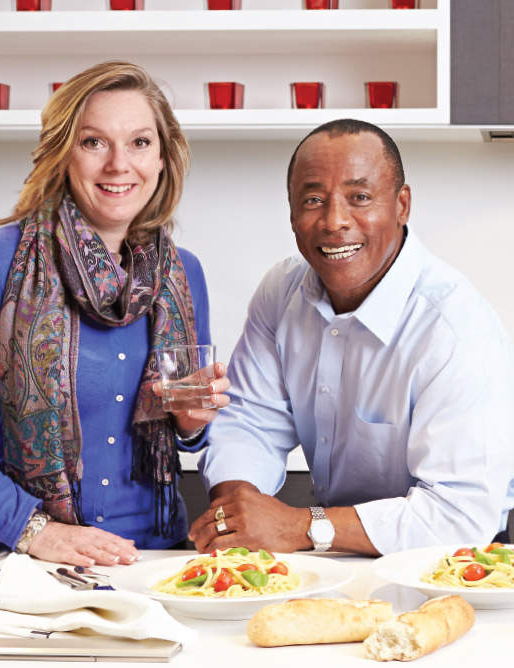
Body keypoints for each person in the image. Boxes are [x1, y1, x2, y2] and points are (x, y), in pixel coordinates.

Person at [0, 60, 230, 568]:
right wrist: (35, 531)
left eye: (140, 143)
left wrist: (192, 423)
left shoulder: (182, 274)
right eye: (93, 142)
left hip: (146, 557)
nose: (119, 165)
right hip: (3, 554)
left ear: (165, 157)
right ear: (61, 153)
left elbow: (190, 431)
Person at [190, 118, 514, 557]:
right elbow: (249, 425)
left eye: (359, 198)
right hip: (335, 550)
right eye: (312, 200)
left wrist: (297, 525)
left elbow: (459, 516)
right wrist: (237, 520)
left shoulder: (456, 328)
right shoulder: (281, 292)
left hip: (452, 564)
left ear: (402, 205)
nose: (334, 221)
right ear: (290, 212)